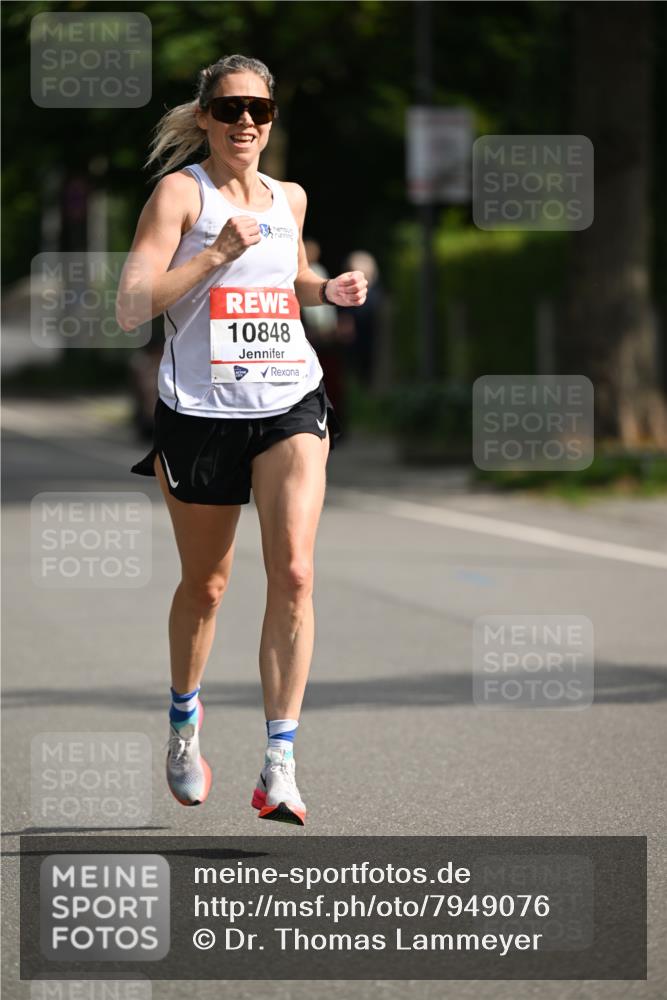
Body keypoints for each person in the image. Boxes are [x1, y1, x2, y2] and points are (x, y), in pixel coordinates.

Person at [117, 54, 367, 826]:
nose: (246, 122)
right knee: (207, 585)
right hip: (199, 412)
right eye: (229, 109)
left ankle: (279, 764)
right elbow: (131, 305)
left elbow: (290, 276)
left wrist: (325, 289)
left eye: (259, 109)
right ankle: (183, 723)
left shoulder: (289, 197)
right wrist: (214, 254)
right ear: (205, 118)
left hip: (289, 398)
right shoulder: (179, 194)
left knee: (294, 570)